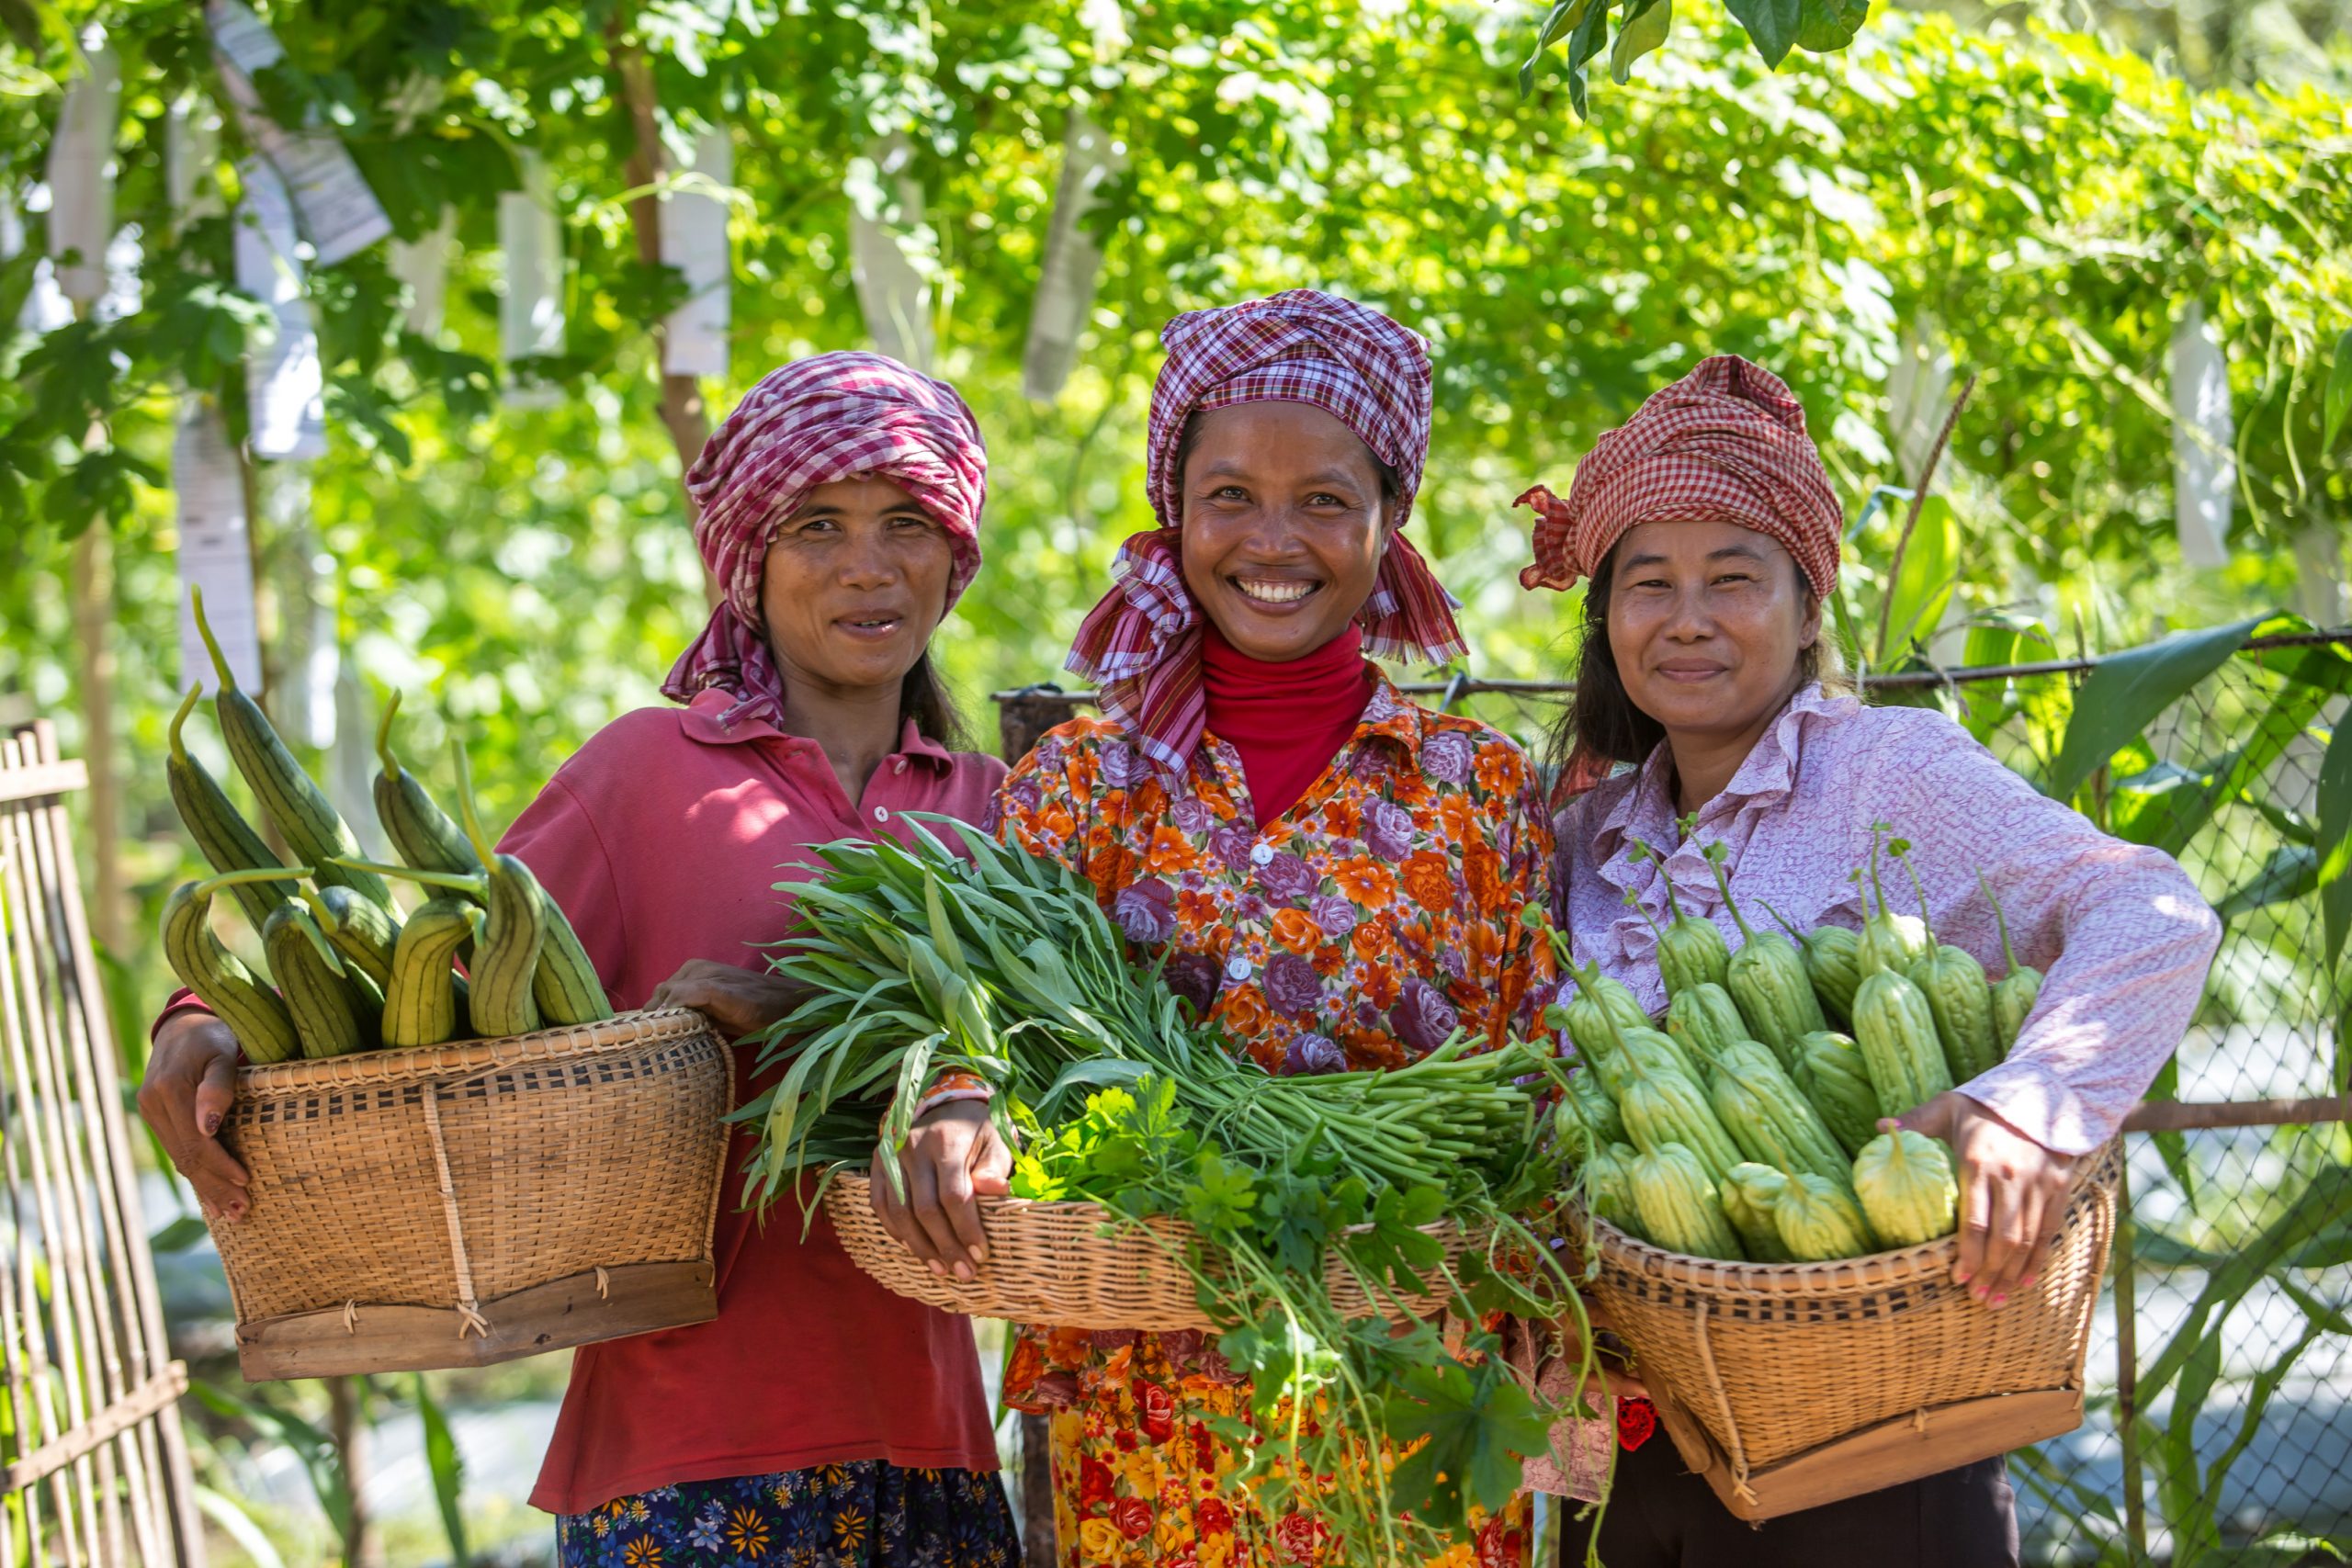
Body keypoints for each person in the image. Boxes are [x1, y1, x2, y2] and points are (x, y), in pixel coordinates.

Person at [136, 353, 1022, 1568]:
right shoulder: (645, 777)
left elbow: (1060, 1080)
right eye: (819, 524)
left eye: (908, 524)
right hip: (681, 1456)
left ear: (955, 555)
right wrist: (200, 1017)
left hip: (938, 1462)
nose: (869, 565)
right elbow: (424, 985)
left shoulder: (1001, 814)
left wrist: (812, 1019)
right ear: (750, 564)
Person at [870, 288, 1557, 1567]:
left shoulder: (1476, 789)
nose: (1273, 539)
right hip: (1149, 1418)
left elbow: (1538, 1078)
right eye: (1230, 495)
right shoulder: (1082, 781)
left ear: (1390, 521)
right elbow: (982, 1020)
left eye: (1325, 500)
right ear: (1174, 513)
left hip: (1409, 1399)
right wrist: (957, 1094)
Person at [1518, 355, 2221, 1567]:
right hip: (1633, 1450)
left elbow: (2153, 911)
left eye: (1732, 579)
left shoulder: (1888, 771)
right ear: (1606, 621)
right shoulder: (1583, 839)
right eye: (1649, 584)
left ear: (1807, 608)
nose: (1686, 618)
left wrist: (2035, 1106)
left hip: (1875, 1444)